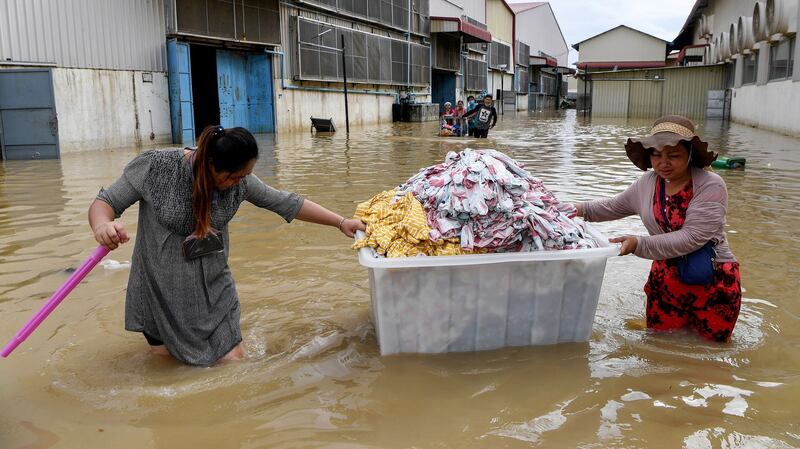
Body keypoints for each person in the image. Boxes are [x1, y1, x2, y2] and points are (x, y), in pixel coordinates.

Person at [88, 125, 366, 366]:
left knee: (233, 361)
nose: (239, 183)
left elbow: (286, 202)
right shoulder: (156, 168)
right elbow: (106, 203)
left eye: (244, 176)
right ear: (210, 164)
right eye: (234, 177)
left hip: (214, 292)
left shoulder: (239, 183)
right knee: (169, 370)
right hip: (159, 291)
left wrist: (340, 222)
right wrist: (103, 226)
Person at [575, 115, 741, 342]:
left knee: (710, 353)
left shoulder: (710, 185)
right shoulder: (648, 183)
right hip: (665, 278)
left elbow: (692, 238)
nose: (663, 163)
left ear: (690, 154)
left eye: (673, 156)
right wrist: (572, 209)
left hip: (711, 278)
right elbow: (612, 206)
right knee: (660, 344)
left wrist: (638, 244)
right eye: (656, 155)